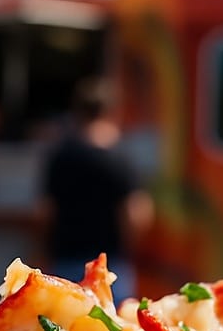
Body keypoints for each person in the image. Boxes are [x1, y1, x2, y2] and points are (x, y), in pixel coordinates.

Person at [42, 78, 154, 303]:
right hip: (110, 266)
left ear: (78, 111)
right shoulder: (122, 157)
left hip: (65, 260)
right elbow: (136, 214)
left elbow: (45, 212)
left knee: (65, 329)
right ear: (113, 111)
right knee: (113, 328)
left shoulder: (61, 157)